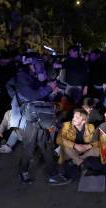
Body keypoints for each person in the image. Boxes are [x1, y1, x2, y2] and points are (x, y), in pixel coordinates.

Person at [7, 54, 70, 185]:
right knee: (32, 146)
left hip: (38, 115)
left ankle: (51, 174)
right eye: (39, 63)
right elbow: (31, 95)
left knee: (44, 144)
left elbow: (39, 93)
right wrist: (49, 88)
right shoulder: (22, 77)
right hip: (32, 117)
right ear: (32, 64)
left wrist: (49, 88)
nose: (41, 66)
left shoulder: (30, 75)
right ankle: (26, 172)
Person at [56, 108, 99, 178]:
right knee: (66, 147)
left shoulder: (91, 127)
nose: (73, 119)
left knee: (99, 150)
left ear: (83, 121)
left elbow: (97, 141)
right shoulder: (66, 125)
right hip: (71, 151)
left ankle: (75, 161)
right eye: (73, 116)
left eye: (77, 117)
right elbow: (58, 139)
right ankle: (81, 164)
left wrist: (87, 146)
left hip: (84, 151)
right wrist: (75, 145)